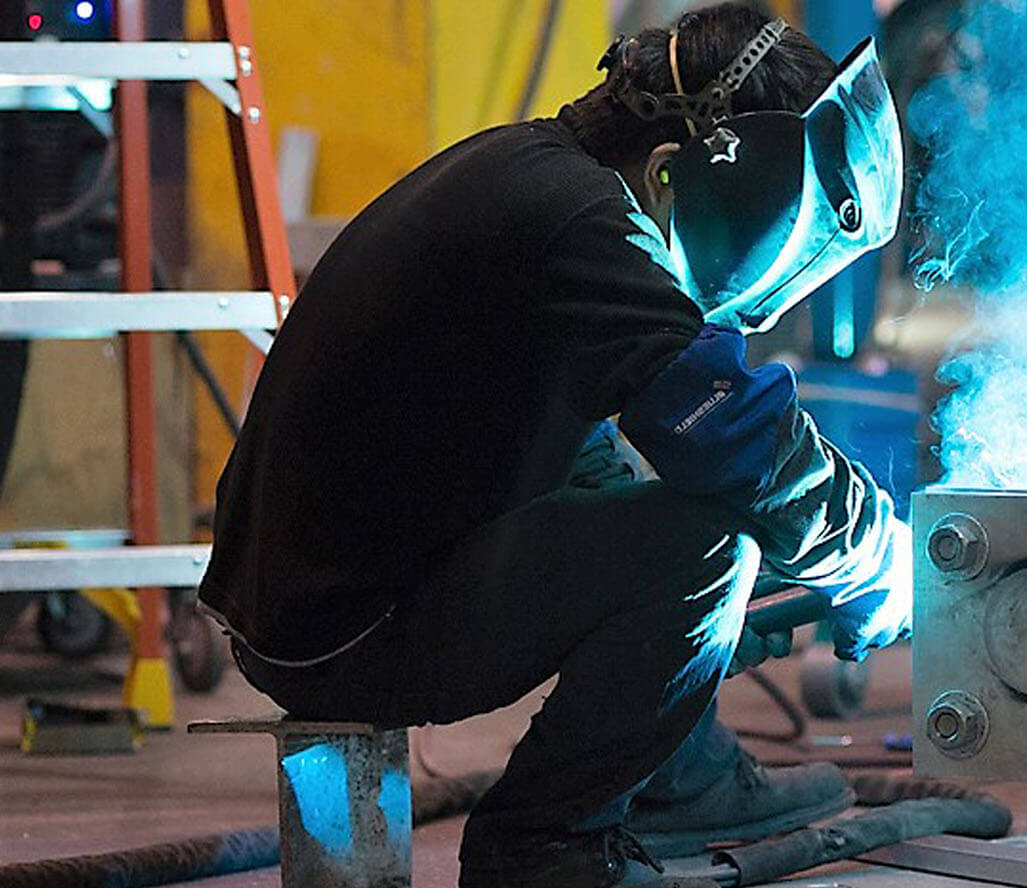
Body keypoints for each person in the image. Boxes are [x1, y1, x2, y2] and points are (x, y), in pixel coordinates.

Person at [195, 4, 912, 886]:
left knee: (682, 526)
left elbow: (603, 460)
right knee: (706, 551)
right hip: (341, 630)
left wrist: (707, 633)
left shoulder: (529, 175)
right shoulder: (581, 224)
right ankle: (541, 847)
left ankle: (679, 775)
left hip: (316, 593)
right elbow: (729, 429)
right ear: (667, 173)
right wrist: (880, 559)